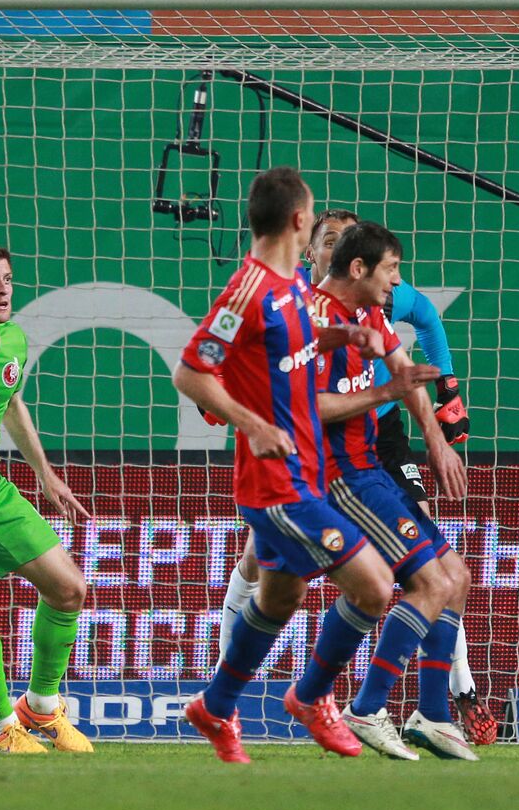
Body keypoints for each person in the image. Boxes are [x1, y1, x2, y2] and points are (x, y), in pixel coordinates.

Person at [216, 208, 496, 743]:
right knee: (281, 587)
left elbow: (414, 347)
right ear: (333, 259)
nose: (397, 281)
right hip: (313, 463)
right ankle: (242, 697)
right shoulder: (290, 306)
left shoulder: (373, 309)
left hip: (375, 446)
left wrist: (439, 427)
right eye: (328, 240)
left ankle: (443, 699)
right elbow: (273, 389)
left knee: (434, 574)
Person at [174, 167, 405, 764]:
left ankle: (215, 707)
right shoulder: (248, 289)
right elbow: (191, 372)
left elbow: (298, 343)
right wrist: (252, 424)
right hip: (275, 481)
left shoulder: (292, 291)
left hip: (302, 473)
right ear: (301, 221)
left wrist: (347, 337)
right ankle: (312, 698)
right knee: (376, 588)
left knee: (280, 599)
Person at [307, 220, 477, 761]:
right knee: (422, 585)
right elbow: (310, 408)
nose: (397, 282)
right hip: (339, 476)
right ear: (358, 269)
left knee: (456, 578)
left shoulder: (371, 313)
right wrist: (384, 391)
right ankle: (365, 705)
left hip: (372, 468)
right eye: (391, 270)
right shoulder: (314, 321)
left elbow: (405, 370)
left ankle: (432, 713)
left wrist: (437, 440)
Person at [0, 240, 92, 753]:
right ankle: (2, 726)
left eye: (6, 279)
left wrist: (46, 475)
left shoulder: (13, 341)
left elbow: (9, 403)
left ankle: (42, 709)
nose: (2, 289)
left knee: (69, 588)